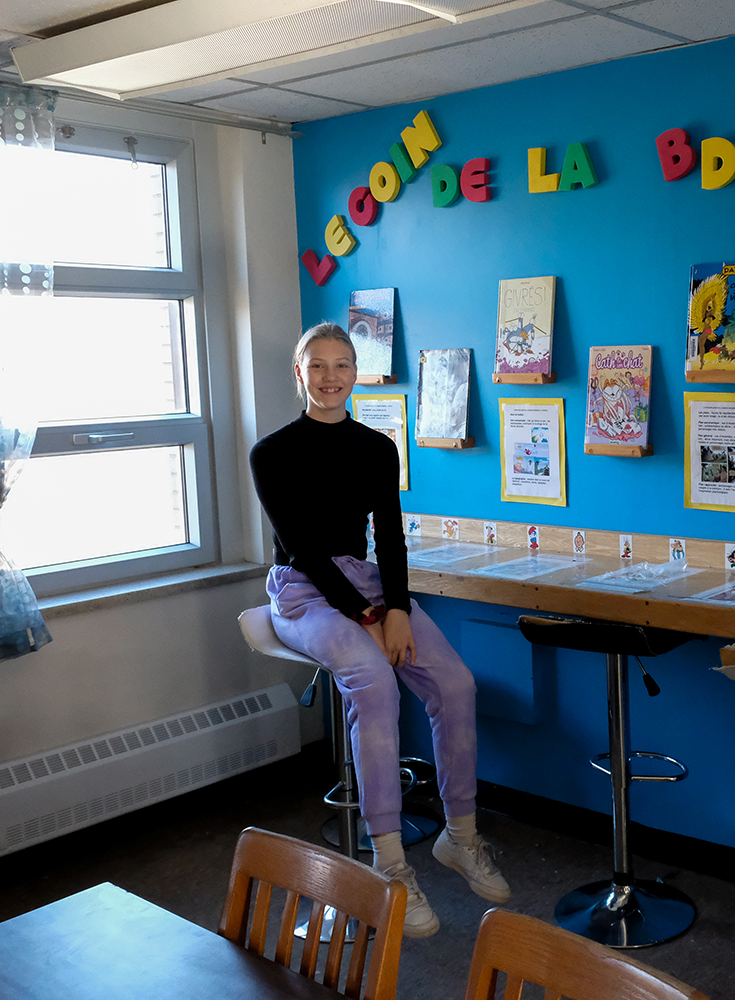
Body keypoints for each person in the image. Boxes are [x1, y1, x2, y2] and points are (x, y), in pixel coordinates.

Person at [249, 322, 509, 938]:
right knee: (373, 680)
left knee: (456, 683)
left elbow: (388, 536)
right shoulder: (272, 453)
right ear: (299, 373)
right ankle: (390, 865)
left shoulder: (376, 447)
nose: (331, 377)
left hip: (366, 583)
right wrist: (368, 621)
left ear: (355, 374)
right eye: (318, 366)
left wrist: (394, 607)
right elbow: (305, 548)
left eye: (343, 365)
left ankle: (460, 836)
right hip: (304, 589)